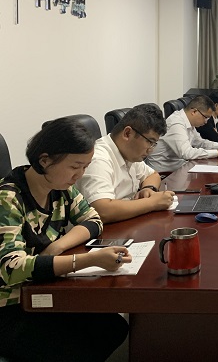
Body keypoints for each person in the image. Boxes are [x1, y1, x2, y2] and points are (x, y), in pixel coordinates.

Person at [0, 118, 131, 361]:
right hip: (10, 305)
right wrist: (87, 260)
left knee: (113, 328)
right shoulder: (8, 198)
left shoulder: (61, 188)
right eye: (75, 167)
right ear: (45, 160)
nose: (79, 175)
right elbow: (11, 267)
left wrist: (57, 246)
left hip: (45, 291)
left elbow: (94, 220)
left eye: (85, 167)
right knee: (77, 349)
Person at [77, 104, 176, 223]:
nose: (151, 150)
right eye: (150, 142)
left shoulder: (130, 153)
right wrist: (152, 202)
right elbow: (102, 211)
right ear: (127, 133)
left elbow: (153, 175)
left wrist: (148, 189)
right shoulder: (98, 159)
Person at [147, 95, 218, 171]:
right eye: (205, 117)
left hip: (180, 167)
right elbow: (186, 153)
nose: (206, 121)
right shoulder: (176, 123)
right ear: (194, 111)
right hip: (165, 174)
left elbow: (200, 142)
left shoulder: (189, 123)